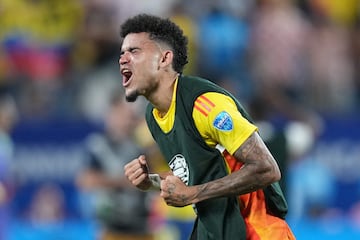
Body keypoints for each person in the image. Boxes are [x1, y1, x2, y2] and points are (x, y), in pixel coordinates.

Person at [121, 14, 295, 240]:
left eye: (134, 51)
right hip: (215, 231)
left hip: (255, 231)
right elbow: (196, 175)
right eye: (122, 53)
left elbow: (266, 168)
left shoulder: (204, 105)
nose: (123, 59)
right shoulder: (154, 116)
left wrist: (191, 194)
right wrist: (151, 181)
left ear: (164, 59)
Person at [76, 91, 153, 240]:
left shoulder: (141, 144)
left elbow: (151, 180)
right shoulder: (97, 145)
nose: (127, 119)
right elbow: (85, 181)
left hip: (141, 225)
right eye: (122, 113)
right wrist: (126, 181)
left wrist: (107, 181)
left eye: (130, 114)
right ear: (111, 114)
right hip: (110, 226)